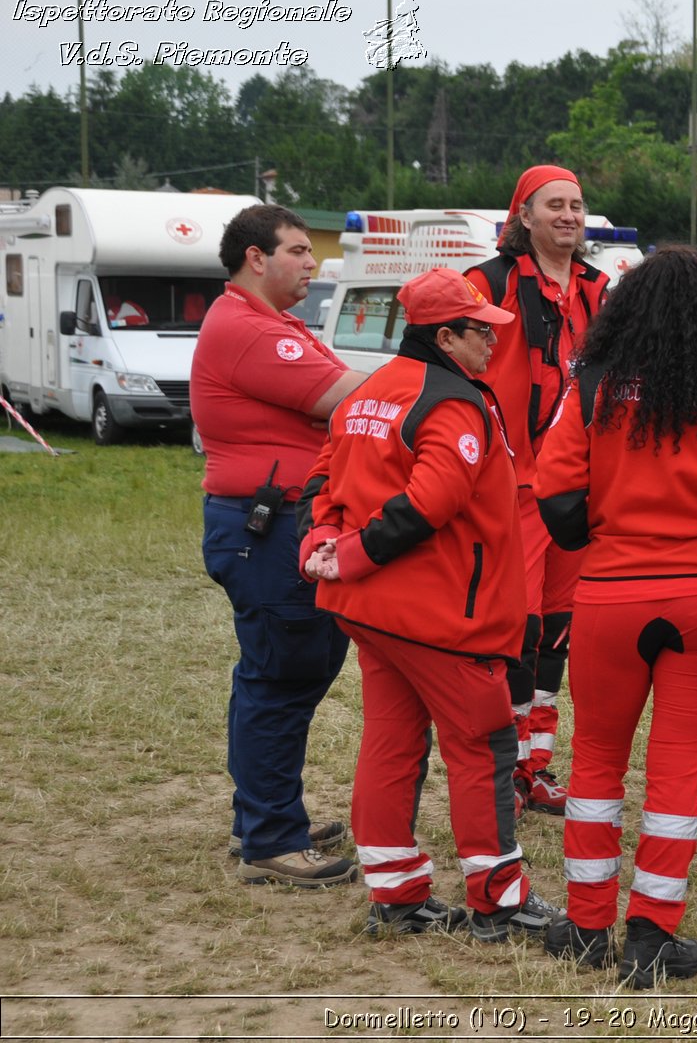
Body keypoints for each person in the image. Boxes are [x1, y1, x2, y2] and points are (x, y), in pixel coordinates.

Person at [535, 247, 697, 987]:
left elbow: (555, 503)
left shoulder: (589, 386)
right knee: (678, 770)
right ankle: (652, 936)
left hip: (608, 597)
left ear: (625, 309)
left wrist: (611, 536)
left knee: (594, 761)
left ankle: (587, 925)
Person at [298, 268, 559, 939]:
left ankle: (396, 891)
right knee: (484, 747)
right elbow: (431, 501)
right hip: (443, 617)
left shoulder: (370, 391)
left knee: (391, 741)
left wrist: (326, 539)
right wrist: (350, 551)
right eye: (481, 333)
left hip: (373, 611)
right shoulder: (451, 402)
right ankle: (499, 901)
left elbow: (325, 473)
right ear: (445, 335)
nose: (493, 345)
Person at [191, 203, 366, 887]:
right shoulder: (250, 329)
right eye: (297, 250)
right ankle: (269, 835)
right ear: (256, 257)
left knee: (284, 667)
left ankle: (264, 812)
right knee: (282, 671)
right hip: (267, 525)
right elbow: (347, 394)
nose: (310, 262)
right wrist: (425, 385)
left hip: (271, 521)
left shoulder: (269, 323)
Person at [467, 164, 611, 819]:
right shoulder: (486, 283)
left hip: (575, 486)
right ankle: (503, 767)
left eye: (577, 206)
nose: (569, 216)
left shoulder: (599, 288)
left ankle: (538, 765)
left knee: (558, 630)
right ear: (523, 215)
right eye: (555, 205)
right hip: (509, 484)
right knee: (513, 630)